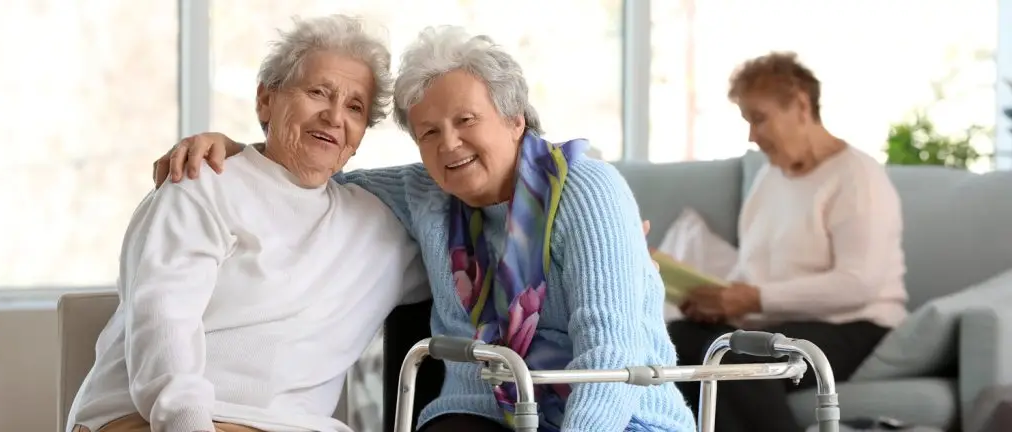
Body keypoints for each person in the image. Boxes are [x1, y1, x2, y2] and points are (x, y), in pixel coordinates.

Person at [154, 26, 696, 432]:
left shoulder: (587, 189)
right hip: (479, 409)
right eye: (428, 133)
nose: (449, 146)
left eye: (465, 121)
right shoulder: (427, 192)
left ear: (515, 119)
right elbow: (316, 164)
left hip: (619, 413)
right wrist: (235, 149)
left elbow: (610, 356)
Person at [67, 16, 429, 432]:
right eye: (318, 92)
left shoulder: (378, 225)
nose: (334, 116)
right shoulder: (201, 184)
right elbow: (163, 324)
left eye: (355, 107)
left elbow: (466, 250)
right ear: (265, 100)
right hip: (153, 421)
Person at [667, 52, 908, 432]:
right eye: (747, 121)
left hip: (856, 325)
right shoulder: (769, 178)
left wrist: (754, 298)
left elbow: (859, 283)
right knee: (675, 339)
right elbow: (754, 269)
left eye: (759, 119)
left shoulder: (858, 177)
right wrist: (722, 303)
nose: (752, 136)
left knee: (734, 363)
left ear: (799, 105)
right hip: (779, 321)